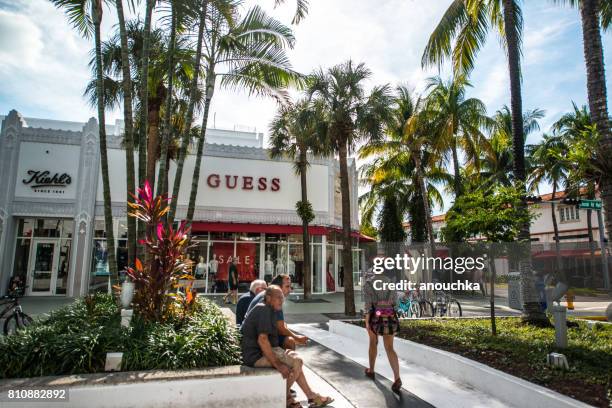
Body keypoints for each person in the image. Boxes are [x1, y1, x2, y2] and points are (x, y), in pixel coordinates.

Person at [241, 286, 334, 408]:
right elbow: (262, 340)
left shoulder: (269, 309)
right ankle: (287, 397)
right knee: (297, 362)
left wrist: (282, 352)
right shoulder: (263, 309)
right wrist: (278, 364)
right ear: (268, 298)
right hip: (255, 357)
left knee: (295, 357)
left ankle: (309, 397)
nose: (282, 300)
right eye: (278, 298)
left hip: (264, 352)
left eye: (282, 297)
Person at [363, 258, 403, 394]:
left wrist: (367, 321)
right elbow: (395, 304)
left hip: (375, 316)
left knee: (373, 343)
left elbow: (368, 305)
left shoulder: (369, 283)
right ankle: (397, 377)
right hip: (389, 316)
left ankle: (371, 370)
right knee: (390, 347)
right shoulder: (391, 282)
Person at [245, 274, 307, 350]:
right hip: (254, 341)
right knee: (290, 341)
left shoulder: (268, 294)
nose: (290, 290)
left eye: (290, 287)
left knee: (286, 331)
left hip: (253, 336)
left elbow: (279, 324)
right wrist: (297, 338)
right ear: (278, 287)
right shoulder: (275, 298)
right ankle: (285, 359)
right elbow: (280, 328)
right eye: (287, 286)